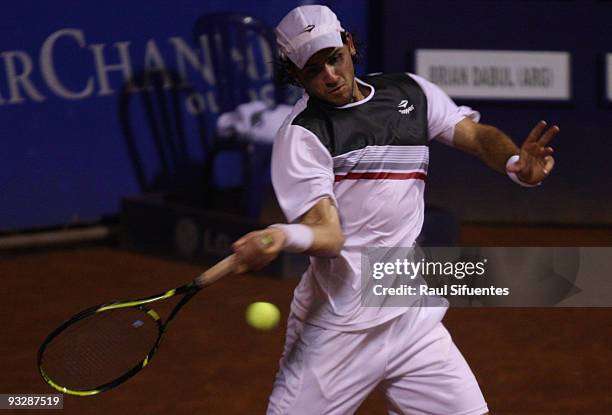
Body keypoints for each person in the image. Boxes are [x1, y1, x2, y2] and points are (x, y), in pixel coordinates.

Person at [232, 5, 558, 414]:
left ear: (349, 44)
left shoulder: (408, 93)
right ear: (296, 76)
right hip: (338, 329)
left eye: (333, 58)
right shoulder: (302, 136)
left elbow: (476, 136)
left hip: (410, 315)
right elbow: (328, 235)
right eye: (314, 70)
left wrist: (516, 165)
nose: (330, 76)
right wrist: (285, 235)